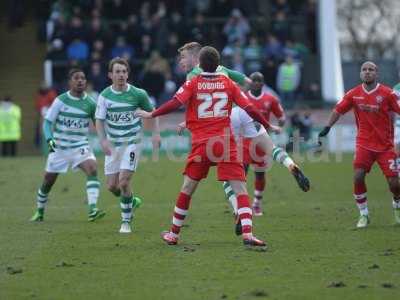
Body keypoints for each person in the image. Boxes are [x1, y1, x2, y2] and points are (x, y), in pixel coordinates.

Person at [136, 46, 282, 248]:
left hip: (202, 143)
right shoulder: (229, 83)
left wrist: (152, 114)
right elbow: (250, 108)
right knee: (240, 189)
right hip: (225, 142)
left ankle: (173, 234)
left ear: (200, 64)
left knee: (187, 188)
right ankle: (248, 235)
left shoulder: (193, 82)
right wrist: (267, 125)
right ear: (218, 64)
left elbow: (174, 102)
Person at [318, 61, 400, 228]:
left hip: (386, 146)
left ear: (376, 73)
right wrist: (327, 126)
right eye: (364, 69)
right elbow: (338, 110)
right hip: (364, 144)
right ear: (360, 73)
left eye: (371, 70)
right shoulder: (354, 94)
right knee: (358, 176)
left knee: (394, 183)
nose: (367, 72)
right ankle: (364, 214)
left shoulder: (388, 93)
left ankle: (397, 204)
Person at [95, 57, 160, 234]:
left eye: (124, 72)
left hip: (132, 143)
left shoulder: (138, 94)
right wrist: (103, 140)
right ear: (110, 75)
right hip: (113, 145)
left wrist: (156, 134)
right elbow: (99, 121)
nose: (121, 75)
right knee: (112, 186)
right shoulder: (104, 96)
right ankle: (132, 201)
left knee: (124, 182)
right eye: (117, 72)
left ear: (127, 74)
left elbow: (154, 113)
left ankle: (126, 222)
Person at [30, 69, 105, 222]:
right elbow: (48, 122)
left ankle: (92, 209)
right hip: (60, 148)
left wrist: (104, 138)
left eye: (83, 78)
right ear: (70, 81)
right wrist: (49, 139)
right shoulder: (60, 100)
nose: (80, 81)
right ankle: (39, 211)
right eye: (76, 78)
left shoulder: (90, 103)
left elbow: (98, 123)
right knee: (48, 180)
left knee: (92, 168)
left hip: (80, 146)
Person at [242, 72, 286, 215]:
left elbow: (281, 116)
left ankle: (257, 203)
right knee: (241, 173)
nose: (256, 83)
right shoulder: (242, 97)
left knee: (259, 174)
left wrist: (280, 125)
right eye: (253, 80)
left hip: (261, 141)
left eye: (259, 80)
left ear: (262, 83)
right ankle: (240, 205)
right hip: (243, 141)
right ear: (250, 82)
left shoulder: (270, 99)